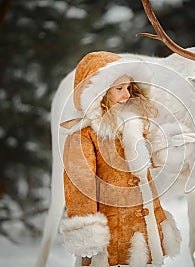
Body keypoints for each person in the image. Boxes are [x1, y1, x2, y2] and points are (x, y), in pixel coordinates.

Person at [59, 51, 181, 267]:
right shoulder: (84, 137)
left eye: (128, 88)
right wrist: (87, 238)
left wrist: (164, 145)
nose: (127, 95)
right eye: (119, 89)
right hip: (111, 242)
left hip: (146, 233)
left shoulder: (134, 125)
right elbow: (79, 187)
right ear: (100, 93)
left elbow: (154, 163)